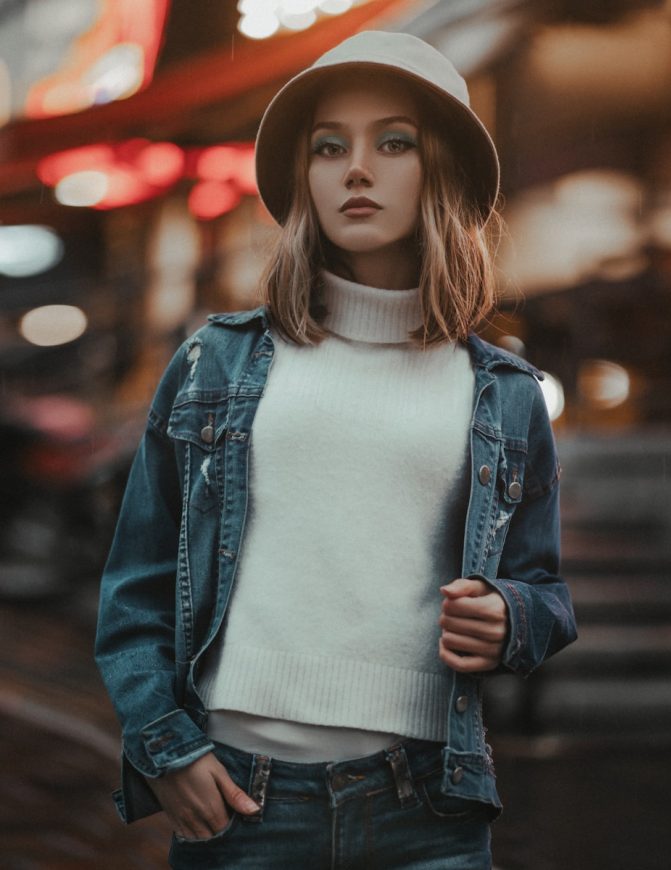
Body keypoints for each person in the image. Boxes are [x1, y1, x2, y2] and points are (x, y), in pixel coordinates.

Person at [95, 30, 577, 870]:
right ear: (304, 176)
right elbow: (135, 590)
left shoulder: (504, 394)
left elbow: (545, 593)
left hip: (429, 806)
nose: (357, 168)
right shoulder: (215, 362)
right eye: (329, 147)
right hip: (241, 802)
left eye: (394, 142)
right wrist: (164, 747)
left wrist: (512, 619)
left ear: (443, 172)